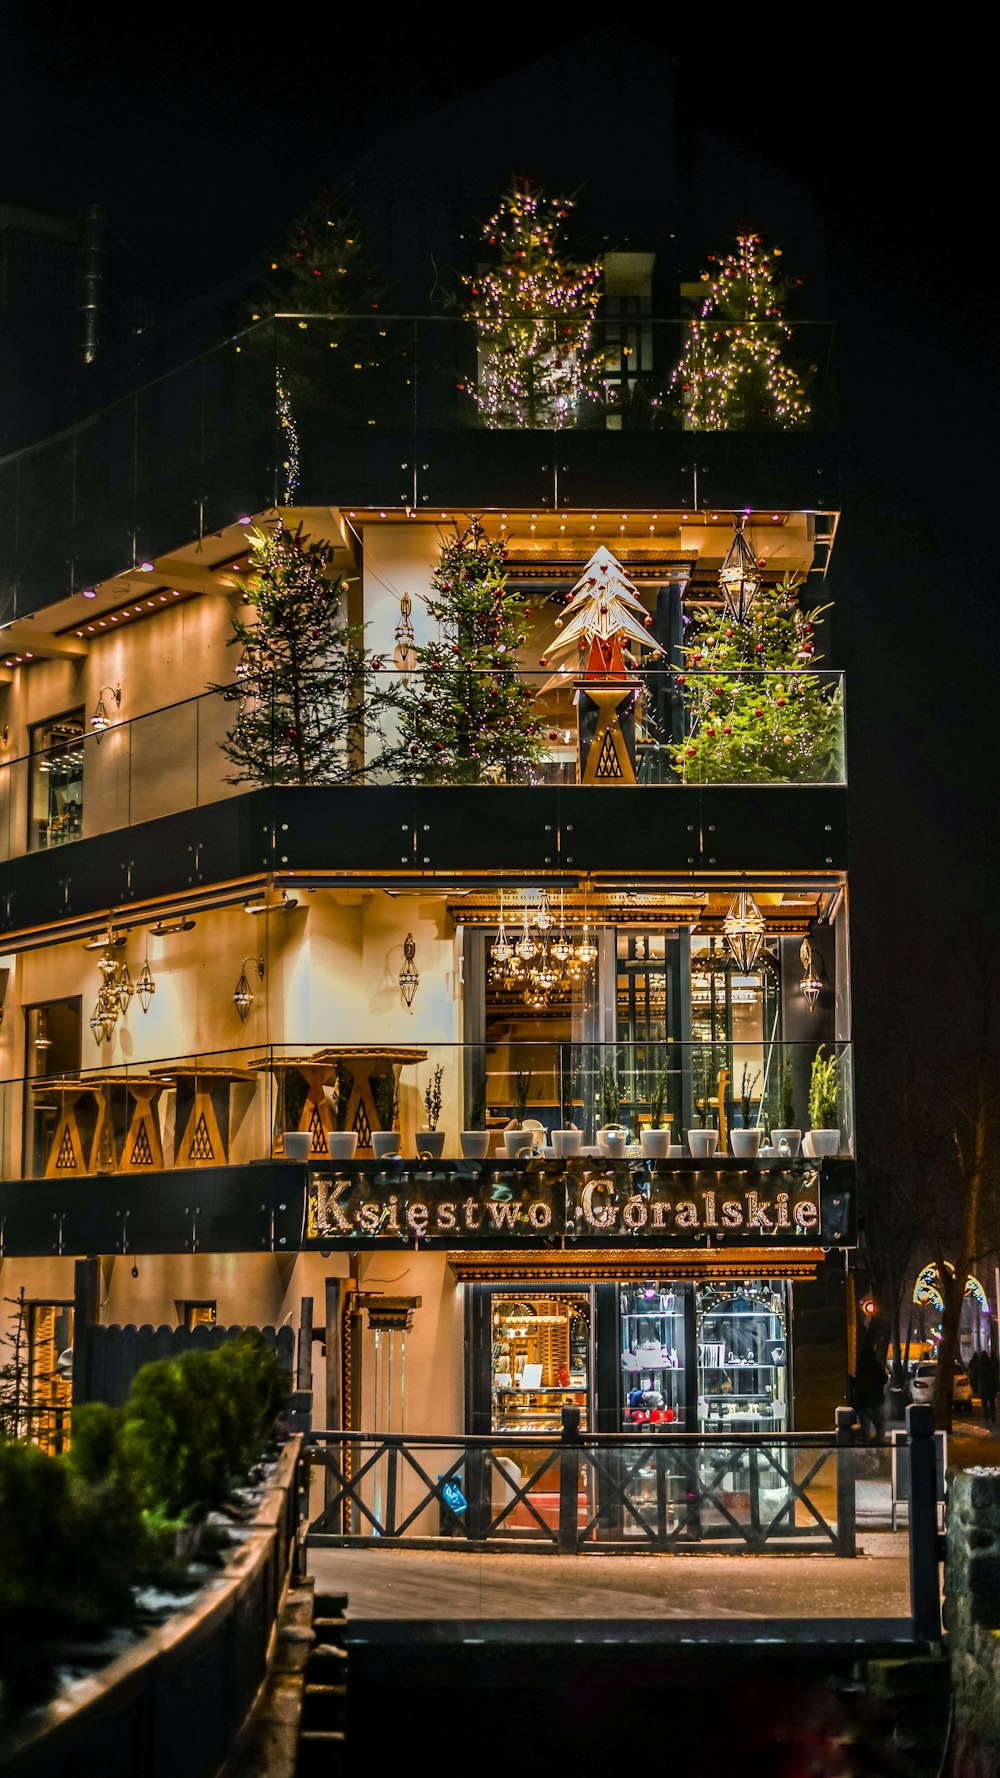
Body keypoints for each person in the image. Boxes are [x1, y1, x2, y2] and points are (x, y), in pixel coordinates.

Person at [852, 1340, 888, 1443]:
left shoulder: (859, 1366)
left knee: (865, 1425)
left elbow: (854, 1382)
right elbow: (884, 1379)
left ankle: (866, 1443)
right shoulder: (876, 1366)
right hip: (876, 1400)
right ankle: (880, 1442)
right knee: (880, 1423)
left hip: (862, 1401)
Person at [979, 1348, 999, 1423]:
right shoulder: (991, 1365)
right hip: (991, 1388)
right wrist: (997, 1387)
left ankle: (986, 1418)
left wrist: (976, 1387)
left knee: (984, 1404)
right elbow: (995, 1377)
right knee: (992, 1403)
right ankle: (992, 1418)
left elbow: (974, 1377)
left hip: (983, 1388)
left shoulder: (978, 1366)